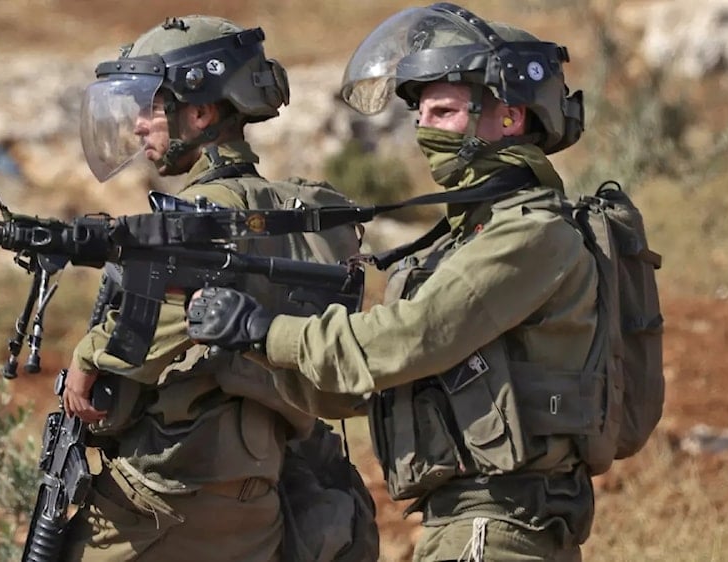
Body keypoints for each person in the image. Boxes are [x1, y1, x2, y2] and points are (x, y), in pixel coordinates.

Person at [186, 3, 596, 561]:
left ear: (510, 118)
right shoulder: (470, 235)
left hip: (496, 524)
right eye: (421, 114)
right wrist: (254, 343)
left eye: (445, 111)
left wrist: (264, 331)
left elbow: (407, 338)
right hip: (468, 520)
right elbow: (375, 385)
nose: (425, 129)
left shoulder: (530, 235)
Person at [60, 15, 375, 562]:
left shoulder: (206, 222)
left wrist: (89, 356)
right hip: (258, 491)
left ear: (201, 111)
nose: (138, 127)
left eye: (151, 108)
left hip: (172, 490)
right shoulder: (295, 213)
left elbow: (151, 330)